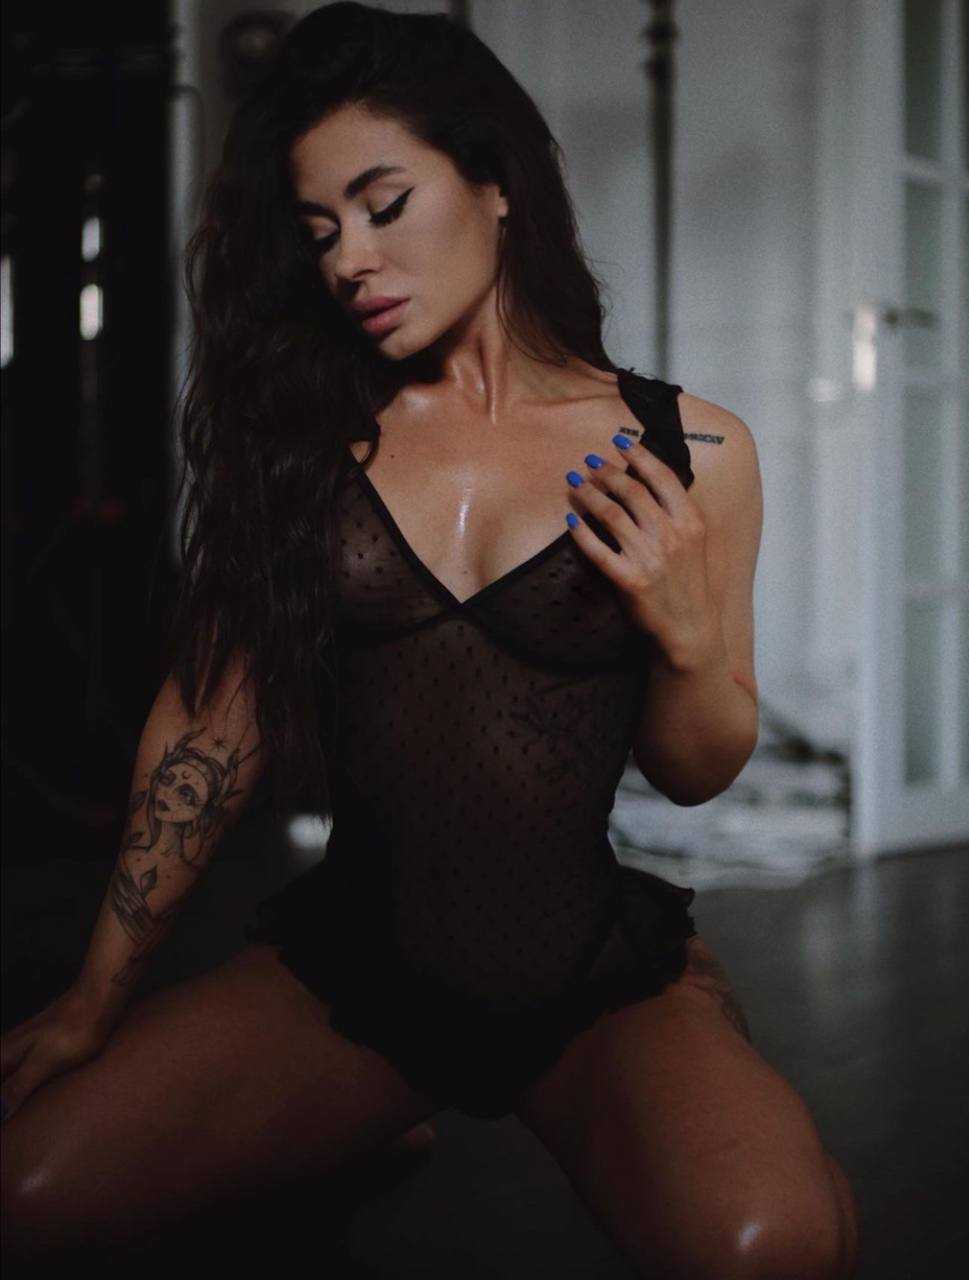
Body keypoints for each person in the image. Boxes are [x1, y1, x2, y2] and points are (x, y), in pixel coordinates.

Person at [0, 3, 860, 1275]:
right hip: (352, 974)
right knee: (28, 1190)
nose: (349, 258)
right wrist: (95, 994)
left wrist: (684, 641)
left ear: (494, 182)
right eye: (319, 231)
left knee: (768, 1245)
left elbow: (692, 770)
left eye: (383, 204)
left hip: (586, 977)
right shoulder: (305, 448)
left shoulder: (692, 450)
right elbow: (208, 734)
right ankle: (356, 1120)